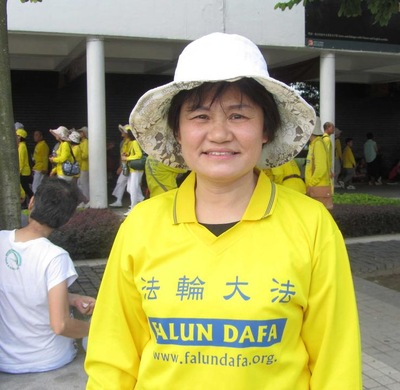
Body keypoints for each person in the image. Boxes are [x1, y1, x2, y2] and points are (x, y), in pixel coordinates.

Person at [85, 33, 361, 389]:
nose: (218, 134)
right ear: (178, 131)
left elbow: (335, 361)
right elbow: (112, 359)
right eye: (199, 116)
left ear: (266, 129)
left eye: (238, 115)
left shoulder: (312, 225)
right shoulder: (141, 225)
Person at [0, 178, 96, 374]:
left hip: (6, 360)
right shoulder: (55, 257)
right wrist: (96, 329)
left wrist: (72, 299)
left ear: (32, 201)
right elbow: (61, 325)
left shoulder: (2, 240)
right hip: (49, 358)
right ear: (67, 220)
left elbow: (21, 289)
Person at [305, 118, 332, 208]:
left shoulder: (318, 144)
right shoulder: (315, 143)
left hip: (317, 189)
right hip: (317, 188)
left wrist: (311, 184)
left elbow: (321, 168)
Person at [121, 129, 145, 216]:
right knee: (130, 189)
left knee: (133, 189)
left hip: (136, 169)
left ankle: (133, 207)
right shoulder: (130, 142)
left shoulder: (134, 142)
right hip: (133, 169)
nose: (122, 134)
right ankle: (142, 201)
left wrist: (127, 158)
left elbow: (139, 155)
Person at [109, 124, 131, 208]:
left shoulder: (130, 142)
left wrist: (121, 167)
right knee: (122, 182)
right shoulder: (123, 142)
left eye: (123, 131)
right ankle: (118, 200)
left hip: (128, 166)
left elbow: (126, 155)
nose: (121, 132)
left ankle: (138, 199)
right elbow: (121, 155)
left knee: (130, 185)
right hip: (125, 165)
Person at [16, 126, 33, 208]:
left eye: (16, 136)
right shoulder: (22, 145)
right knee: (26, 188)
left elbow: (21, 161)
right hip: (24, 171)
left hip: (23, 172)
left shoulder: (22, 147)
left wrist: (18, 171)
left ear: (20, 137)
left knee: (25, 189)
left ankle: (29, 203)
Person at [77, 126, 90, 205]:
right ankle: (83, 200)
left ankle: (86, 200)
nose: (79, 133)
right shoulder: (81, 142)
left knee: (84, 184)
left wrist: (77, 155)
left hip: (84, 166)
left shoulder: (86, 142)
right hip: (80, 166)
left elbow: (85, 155)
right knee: (80, 184)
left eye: (81, 132)